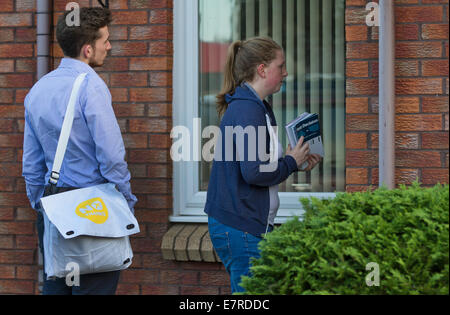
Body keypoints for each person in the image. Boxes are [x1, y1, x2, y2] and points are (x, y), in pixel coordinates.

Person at [22, 7, 137, 295]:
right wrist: (125, 201)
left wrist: (43, 205)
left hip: (54, 209)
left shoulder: (38, 90)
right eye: (105, 41)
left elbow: (31, 165)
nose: (109, 46)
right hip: (92, 210)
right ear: (87, 49)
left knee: (57, 288)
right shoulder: (91, 87)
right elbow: (111, 157)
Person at [204, 37, 322, 294]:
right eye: (281, 66)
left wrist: (296, 162)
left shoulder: (257, 106)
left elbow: (258, 164)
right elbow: (254, 172)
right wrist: (291, 162)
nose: (285, 72)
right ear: (262, 69)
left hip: (242, 225)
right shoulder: (249, 110)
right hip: (241, 228)